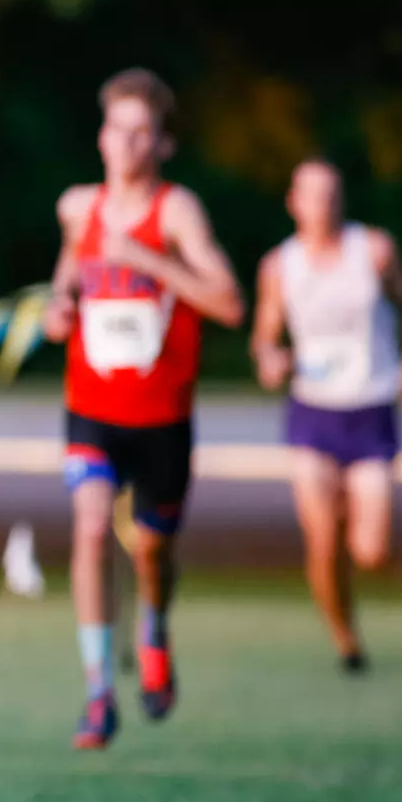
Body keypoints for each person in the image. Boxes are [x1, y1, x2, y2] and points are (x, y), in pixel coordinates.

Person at [41, 68, 244, 750]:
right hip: (92, 406)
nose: (124, 144)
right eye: (114, 130)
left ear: (161, 145)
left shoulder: (177, 212)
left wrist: (150, 262)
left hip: (161, 418)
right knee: (92, 529)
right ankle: (98, 693)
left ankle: (154, 624)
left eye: (140, 133)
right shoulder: (77, 208)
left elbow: (227, 303)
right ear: (100, 138)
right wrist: (58, 307)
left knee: (151, 551)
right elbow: (67, 278)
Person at [251, 158, 402, 672]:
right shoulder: (279, 266)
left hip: (371, 410)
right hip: (312, 415)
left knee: (371, 551)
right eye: (311, 195)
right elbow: (265, 337)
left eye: (330, 194)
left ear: (342, 200)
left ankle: (355, 534)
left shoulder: (373, 251)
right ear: (293, 202)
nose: (321, 205)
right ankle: (345, 638)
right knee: (323, 540)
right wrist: (270, 360)